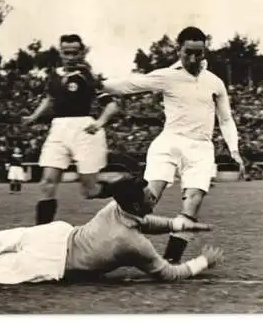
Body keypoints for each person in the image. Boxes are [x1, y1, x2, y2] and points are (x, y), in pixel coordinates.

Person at [0, 175, 224, 284]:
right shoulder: (133, 243)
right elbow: (166, 273)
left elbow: (149, 221)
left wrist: (182, 224)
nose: (153, 196)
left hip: (53, 235)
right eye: (150, 194)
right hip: (54, 261)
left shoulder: (115, 208)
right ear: (136, 203)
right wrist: (202, 263)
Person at [101, 26, 244, 264]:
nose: (193, 58)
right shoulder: (168, 75)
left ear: (204, 51)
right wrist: (99, 85)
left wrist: (234, 149)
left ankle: (170, 261)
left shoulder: (215, 83)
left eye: (198, 53)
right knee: (147, 199)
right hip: (169, 142)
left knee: (193, 202)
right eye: (188, 52)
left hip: (200, 147)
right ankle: (111, 245)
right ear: (179, 50)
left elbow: (226, 119)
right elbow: (133, 84)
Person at [23, 34, 120, 225]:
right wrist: (34, 116)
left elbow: (112, 106)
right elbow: (50, 99)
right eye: (66, 52)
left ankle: (124, 188)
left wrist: (99, 123)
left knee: (89, 191)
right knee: (47, 183)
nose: (70, 56)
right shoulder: (54, 75)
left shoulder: (87, 76)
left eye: (74, 53)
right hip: (58, 128)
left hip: (83, 129)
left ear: (81, 53)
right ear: (60, 52)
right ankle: (42, 233)